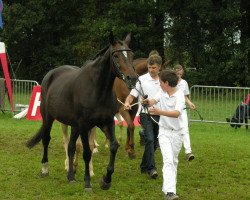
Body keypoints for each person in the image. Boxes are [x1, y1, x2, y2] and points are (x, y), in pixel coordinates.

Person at [142, 69, 185, 200]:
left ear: (166, 83)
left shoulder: (180, 95)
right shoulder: (162, 92)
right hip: (164, 132)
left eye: (160, 82)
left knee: (173, 161)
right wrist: (147, 102)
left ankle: (168, 189)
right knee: (168, 161)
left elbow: (177, 113)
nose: (159, 84)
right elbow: (153, 100)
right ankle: (170, 193)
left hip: (177, 134)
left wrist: (159, 111)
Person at [124, 53, 162, 179]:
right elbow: (132, 94)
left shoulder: (163, 80)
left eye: (154, 68)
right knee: (150, 139)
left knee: (155, 142)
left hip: (160, 115)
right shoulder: (142, 79)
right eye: (150, 67)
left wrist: (153, 101)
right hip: (145, 114)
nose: (151, 70)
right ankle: (151, 168)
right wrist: (127, 102)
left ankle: (144, 165)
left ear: (159, 68)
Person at [174, 64, 195, 161]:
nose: (178, 73)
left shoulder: (184, 83)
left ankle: (188, 151)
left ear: (182, 72)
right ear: (174, 72)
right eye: (177, 72)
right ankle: (172, 151)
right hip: (171, 111)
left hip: (182, 110)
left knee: (185, 129)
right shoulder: (170, 82)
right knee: (173, 130)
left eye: (180, 72)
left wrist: (190, 103)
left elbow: (185, 97)